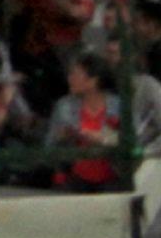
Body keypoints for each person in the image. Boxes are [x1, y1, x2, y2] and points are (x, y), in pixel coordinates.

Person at [45, 53, 127, 190]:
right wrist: (63, 138)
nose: (69, 79)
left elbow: (131, 141)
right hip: (73, 180)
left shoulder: (118, 106)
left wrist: (103, 138)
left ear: (93, 81)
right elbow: (49, 146)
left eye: (75, 75)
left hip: (112, 180)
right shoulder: (64, 105)